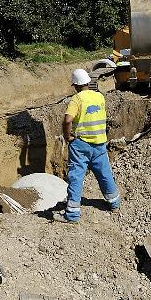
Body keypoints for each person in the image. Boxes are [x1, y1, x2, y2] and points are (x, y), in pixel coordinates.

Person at [53, 69, 121, 223]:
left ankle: (72, 214)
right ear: (88, 82)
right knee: (104, 173)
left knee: (76, 177)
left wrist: (67, 136)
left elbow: (67, 120)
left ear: (75, 86)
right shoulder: (99, 96)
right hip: (99, 143)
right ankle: (114, 203)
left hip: (81, 144)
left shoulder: (77, 99)